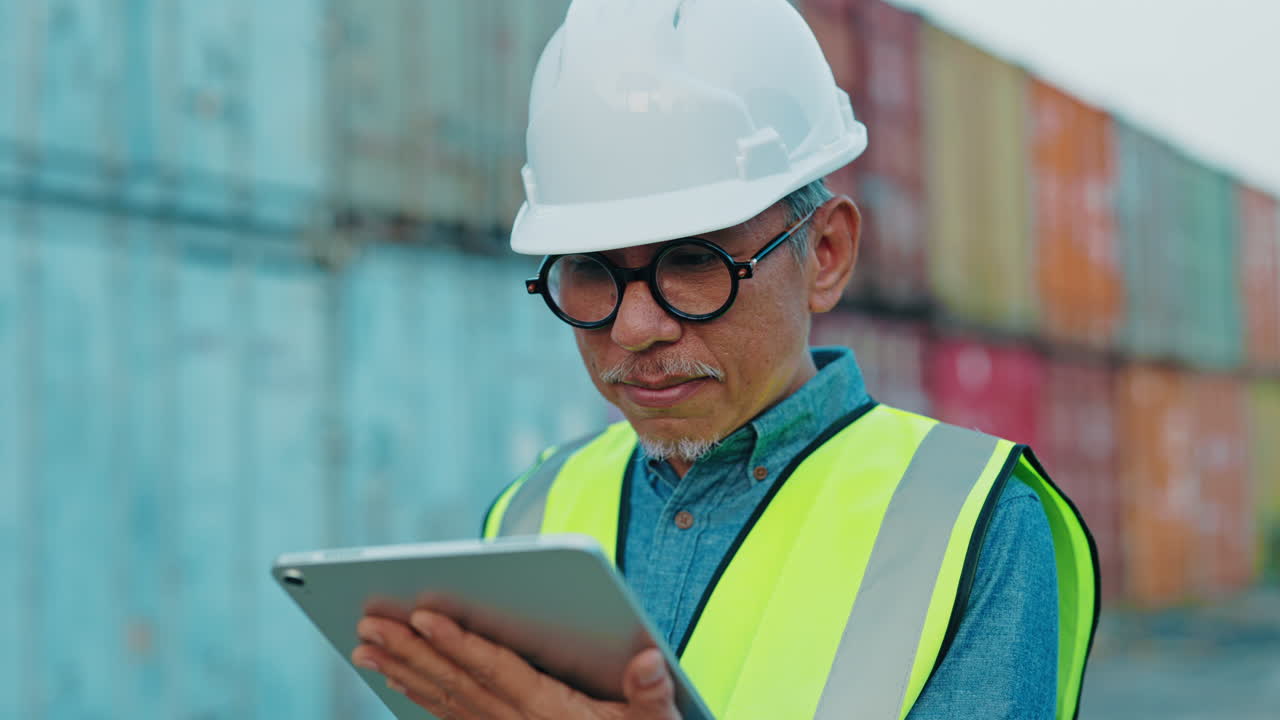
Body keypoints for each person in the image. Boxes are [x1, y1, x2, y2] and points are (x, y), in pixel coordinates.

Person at [350, 0, 1099, 718]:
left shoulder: (969, 524)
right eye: (589, 268)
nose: (636, 326)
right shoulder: (530, 512)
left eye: (694, 260)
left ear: (827, 254)